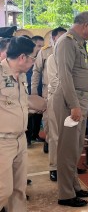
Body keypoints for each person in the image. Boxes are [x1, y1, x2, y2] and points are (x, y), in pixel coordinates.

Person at [52, 11, 88, 207]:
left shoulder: (78, 42)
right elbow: (65, 76)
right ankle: (65, 194)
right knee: (67, 149)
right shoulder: (67, 42)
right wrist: (74, 105)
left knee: (76, 147)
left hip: (80, 99)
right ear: (85, 25)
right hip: (71, 101)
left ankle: (75, 186)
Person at [0, 36, 36, 212]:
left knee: (18, 190)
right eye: (32, 58)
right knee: (2, 191)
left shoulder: (22, 76)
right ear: (22, 57)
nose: (33, 62)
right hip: (2, 142)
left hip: (20, 139)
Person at [45, 27, 67, 182]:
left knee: (70, 136)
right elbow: (54, 82)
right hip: (56, 99)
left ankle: (68, 166)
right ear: (53, 39)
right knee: (55, 136)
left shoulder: (70, 57)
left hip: (71, 101)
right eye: (60, 38)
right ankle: (54, 167)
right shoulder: (52, 58)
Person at [25, 36, 44, 147]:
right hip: (29, 90)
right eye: (38, 46)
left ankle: (35, 135)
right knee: (29, 116)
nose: (40, 49)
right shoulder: (26, 58)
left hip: (40, 90)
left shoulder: (42, 57)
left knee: (38, 115)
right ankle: (27, 139)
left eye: (42, 46)